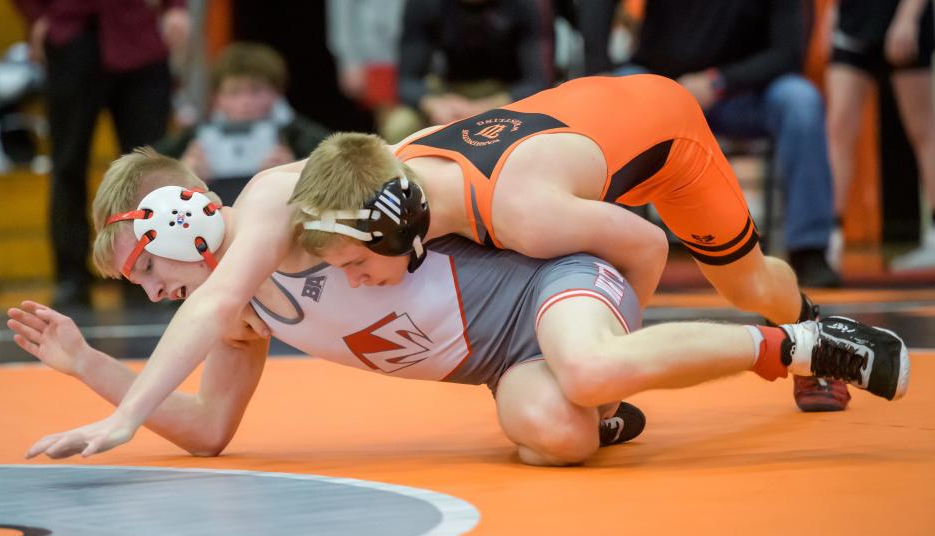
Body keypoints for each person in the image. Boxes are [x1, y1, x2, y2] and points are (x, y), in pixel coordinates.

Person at [12, 148, 909, 466]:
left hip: (549, 280)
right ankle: (600, 404)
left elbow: (201, 310)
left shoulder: (275, 204)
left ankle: (800, 341)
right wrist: (94, 369)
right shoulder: (241, 306)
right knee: (553, 434)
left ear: (179, 218)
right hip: (501, 358)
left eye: (140, 266)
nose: (144, 288)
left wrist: (127, 419)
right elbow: (212, 430)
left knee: (588, 366)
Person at [290, 74, 853, 412]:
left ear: (399, 229)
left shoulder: (526, 216)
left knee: (745, 283)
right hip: (583, 109)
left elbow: (648, 247)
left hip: (670, 140)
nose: (354, 278)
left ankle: (810, 324)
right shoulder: (398, 169)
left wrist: (615, 349)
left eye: (358, 263)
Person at [616, 0, 841, 290]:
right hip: (670, 91)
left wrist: (718, 81)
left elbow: (788, 55)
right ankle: (613, 247)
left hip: (745, 96)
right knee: (615, 86)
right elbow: (631, 38)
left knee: (801, 100)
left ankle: (808, 251)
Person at [12, 0, 190, 307]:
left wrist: (176, 6)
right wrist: (39, 16)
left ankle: (157, 267)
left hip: (139, 35)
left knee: (150, 166)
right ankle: (71, 276)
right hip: (72, 36)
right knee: (68, 164)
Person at [827, 0, 935, 272]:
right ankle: (828, 237)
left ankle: (934, 234)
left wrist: (908, 18)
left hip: (902, 20)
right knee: (838, 127)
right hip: (853, 23)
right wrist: (832, 14)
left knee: (922, 131)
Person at [153, 42, 330, 206]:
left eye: (255, 90)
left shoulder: (301, 135)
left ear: (277, 93)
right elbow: (143, 167)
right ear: (217, 98)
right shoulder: (195, 136)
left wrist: (298, 174)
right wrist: (180, 175)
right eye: (234, 92)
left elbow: (341, 170)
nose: (245, 102)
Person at [382, 0, 555, 143]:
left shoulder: (530, 4)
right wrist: (434, 104)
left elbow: (540, 82)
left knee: (547, 132)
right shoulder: (425, 4)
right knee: (400, 126)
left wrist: (480, 109)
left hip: (508, 95)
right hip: (448, 93)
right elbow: (406, 81)